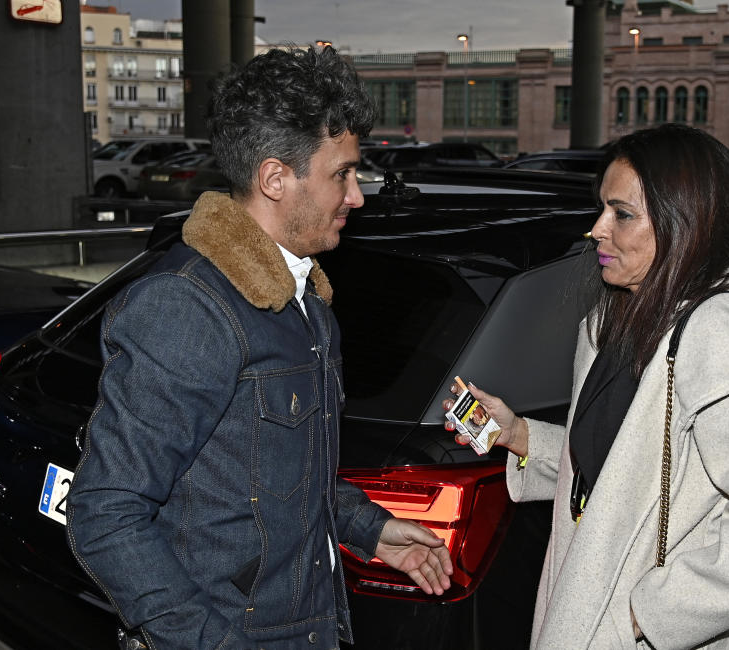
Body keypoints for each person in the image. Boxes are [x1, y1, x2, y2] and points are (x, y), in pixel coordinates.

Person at [68, 46, 452, 649]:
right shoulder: (188, 308)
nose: (357, 195)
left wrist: (370, 530)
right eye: (342, 174)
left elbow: (288, 474)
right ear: (276, 178)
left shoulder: (303, 300)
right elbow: (105, 513)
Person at [445, 124, 729, 649]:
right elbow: (632, 479)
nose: (597, 229)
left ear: (685, 223)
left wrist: (646, 613)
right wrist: (519, 435)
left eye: (621, 214)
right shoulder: (615, 322)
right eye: (602, 208)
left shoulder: (717, 334)